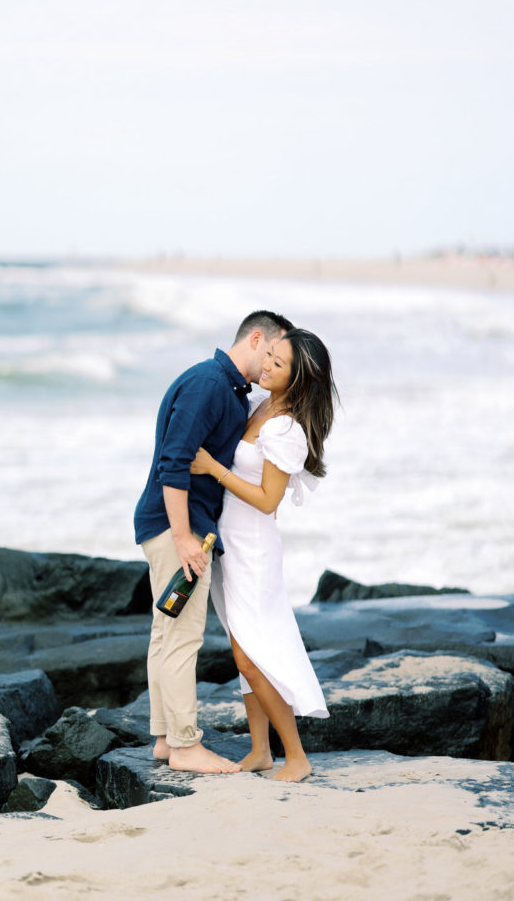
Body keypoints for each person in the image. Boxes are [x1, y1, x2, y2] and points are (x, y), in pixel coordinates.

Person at [134, 310, 293, 774]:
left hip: (175, 525)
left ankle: (165, 739)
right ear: (257, 338)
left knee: (166, 633)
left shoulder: (228, 389)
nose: (272, 365)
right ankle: (185, 746)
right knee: (183, 637)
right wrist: (184, 537)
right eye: (274, 353)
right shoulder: (209, 384)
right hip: (177, 527)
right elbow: (175, 463)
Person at [190, 327, 338, 781]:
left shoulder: (286, 426)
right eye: (269, 355)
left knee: (253, 656)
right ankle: (260, 751)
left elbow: (268, 500)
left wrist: (213, 469)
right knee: (243, 650)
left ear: (300, 377)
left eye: (279, 363)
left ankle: (296, 756)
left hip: (253, 549)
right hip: (232, 544)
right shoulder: (262, 406)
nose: (267, 365)